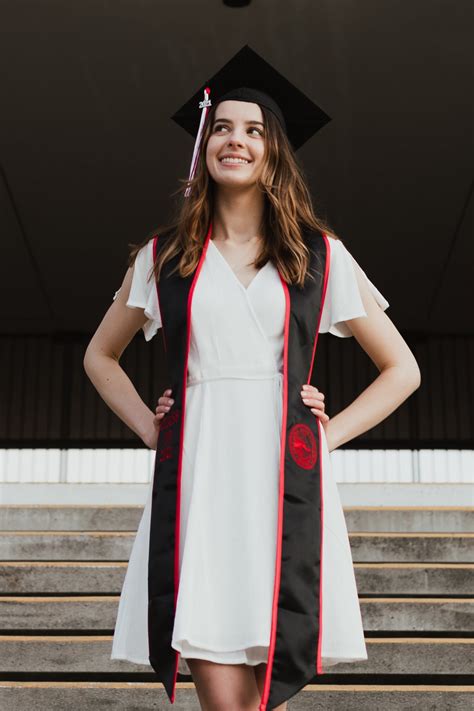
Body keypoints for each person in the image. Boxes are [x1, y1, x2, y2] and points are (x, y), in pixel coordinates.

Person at [84, 46, 421, 711]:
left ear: (274, 152)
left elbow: (402, 367)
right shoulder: (165, 257)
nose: (235, 139)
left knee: (266, 686)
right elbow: (99, 355)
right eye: (223, 127)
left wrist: (329, 435)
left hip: (284, 474)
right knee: (220, 692)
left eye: (253, 130)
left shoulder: (320, 255)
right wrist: (152, 430)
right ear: (205, 145)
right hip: (201, 472)